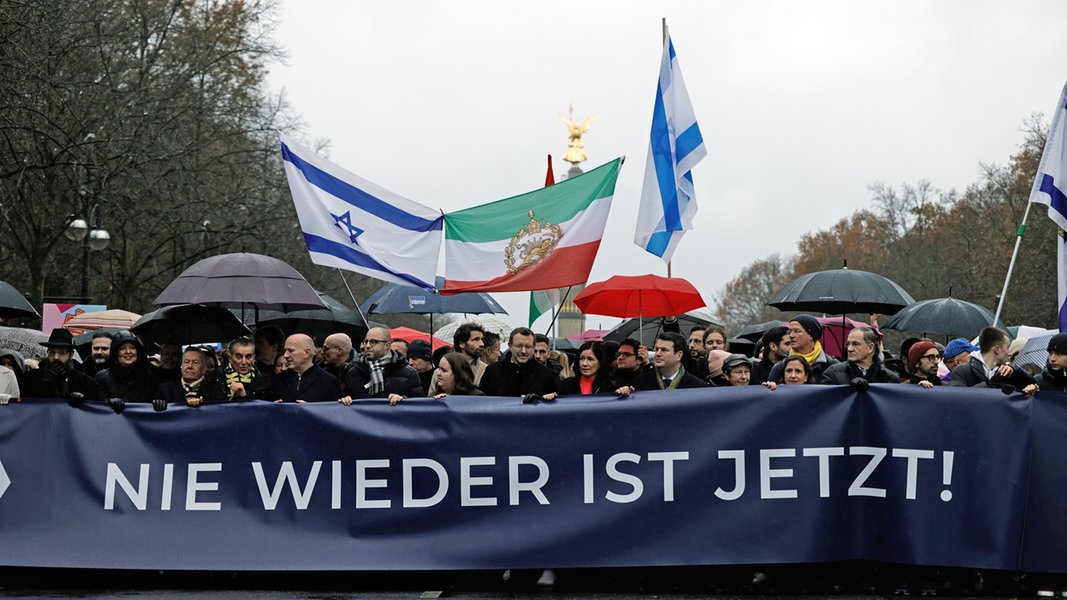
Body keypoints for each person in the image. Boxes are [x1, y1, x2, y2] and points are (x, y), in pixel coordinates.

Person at [341, 327, 423, 405]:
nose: (368, 346)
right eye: (366, 342)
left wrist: (403, 399)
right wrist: (345, 400)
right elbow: (342, 401)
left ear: (387, 345)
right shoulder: (354, 372)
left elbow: (418, 404)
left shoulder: (408, 373)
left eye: (373, 342)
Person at [947, 327, 1038, 395]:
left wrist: (1015, 370)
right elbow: (957, 398)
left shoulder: (1007, 373)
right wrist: (990, 383)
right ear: (997, 349)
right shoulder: (962, 371)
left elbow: (1034, 384)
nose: (1009, 353)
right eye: (1007, 347)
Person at [479, 327, 559, 400]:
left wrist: (545, 399)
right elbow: (481, 401)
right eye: (519, 346)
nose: (523, 351)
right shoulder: (492, 372)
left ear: (533, 347)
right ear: (510, 346)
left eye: (528, 347)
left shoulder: (548, 376)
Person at [617, 332, 708, 395]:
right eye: (657, 349)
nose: (658, 354)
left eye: (664, 350)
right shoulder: (638, 384)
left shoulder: (699, 387)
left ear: (678, 355)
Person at [23, 329, 97, 401]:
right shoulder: (33, 376)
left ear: (71, 354)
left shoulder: (83, 378)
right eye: (52, 352)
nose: (56, 357)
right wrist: (46, 381)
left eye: (61, 353)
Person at [94, 330, 158, 411]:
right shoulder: (101, 378)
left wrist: (159, 401)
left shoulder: (149, 376)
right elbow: (95, 405)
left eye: (132, 348)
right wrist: (106, 402)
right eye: (122, 348)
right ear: (116, 352)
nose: (128, 352)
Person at [767, 315, 839, 383]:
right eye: (790, 331)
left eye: (797, 331)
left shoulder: (832, 366)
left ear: (811, 335)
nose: (791, 335)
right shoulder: (780, 367)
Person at [153, 347, 226, 410]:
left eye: (195, 362)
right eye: (186, 362)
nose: (190, 366)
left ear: (204, 368)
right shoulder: (164, 389)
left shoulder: (215, 390)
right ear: (181, 366)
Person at [820, 327, 899, 385]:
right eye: (848, 344)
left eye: (855, 344)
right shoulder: (833, 373)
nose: (849, 349)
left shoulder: (890, 379)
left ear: (870, 347)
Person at [272, 334, 338, 403]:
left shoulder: (329, 382)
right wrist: (273, 407)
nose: (285, 355)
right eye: (285, 350)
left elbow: (332, 411)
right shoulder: (278, 380)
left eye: (290, 350)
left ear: (306, 353)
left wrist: (310, 410)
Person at [428, 322, 487, 395]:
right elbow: (431, 401)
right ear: (461, 344)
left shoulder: (485, 370)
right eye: (475, 339)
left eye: (482, 339)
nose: (482, 344)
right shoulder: (439, 372)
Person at [220, 336, 271, 401]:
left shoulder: (263, 384)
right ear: (230, 358)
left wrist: (244, 396)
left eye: (248, 357)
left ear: (253, 358)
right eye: (239, 357)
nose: (244, 362)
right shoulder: (215, 380)